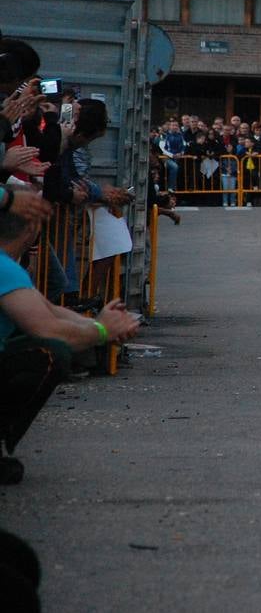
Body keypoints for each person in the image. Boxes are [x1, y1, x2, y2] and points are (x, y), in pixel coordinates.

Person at [0, 202, 142, 483]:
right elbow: (47, 327)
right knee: (50, 352)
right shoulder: (5, 268)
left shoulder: (9, 267)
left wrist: (98, 324)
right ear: (31, 229)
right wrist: (101, 332)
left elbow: (51, 311)